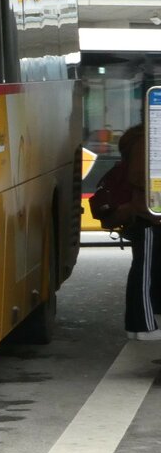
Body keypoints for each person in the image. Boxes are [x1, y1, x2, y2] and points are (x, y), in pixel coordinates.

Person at [94, 125, 161, 341]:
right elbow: (139, 176)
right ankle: (143, 327)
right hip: (145, 213)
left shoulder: (142, 137)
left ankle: (138, 325)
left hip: (145, 211)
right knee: (143, 272)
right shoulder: (146, 141)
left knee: (145, 269)